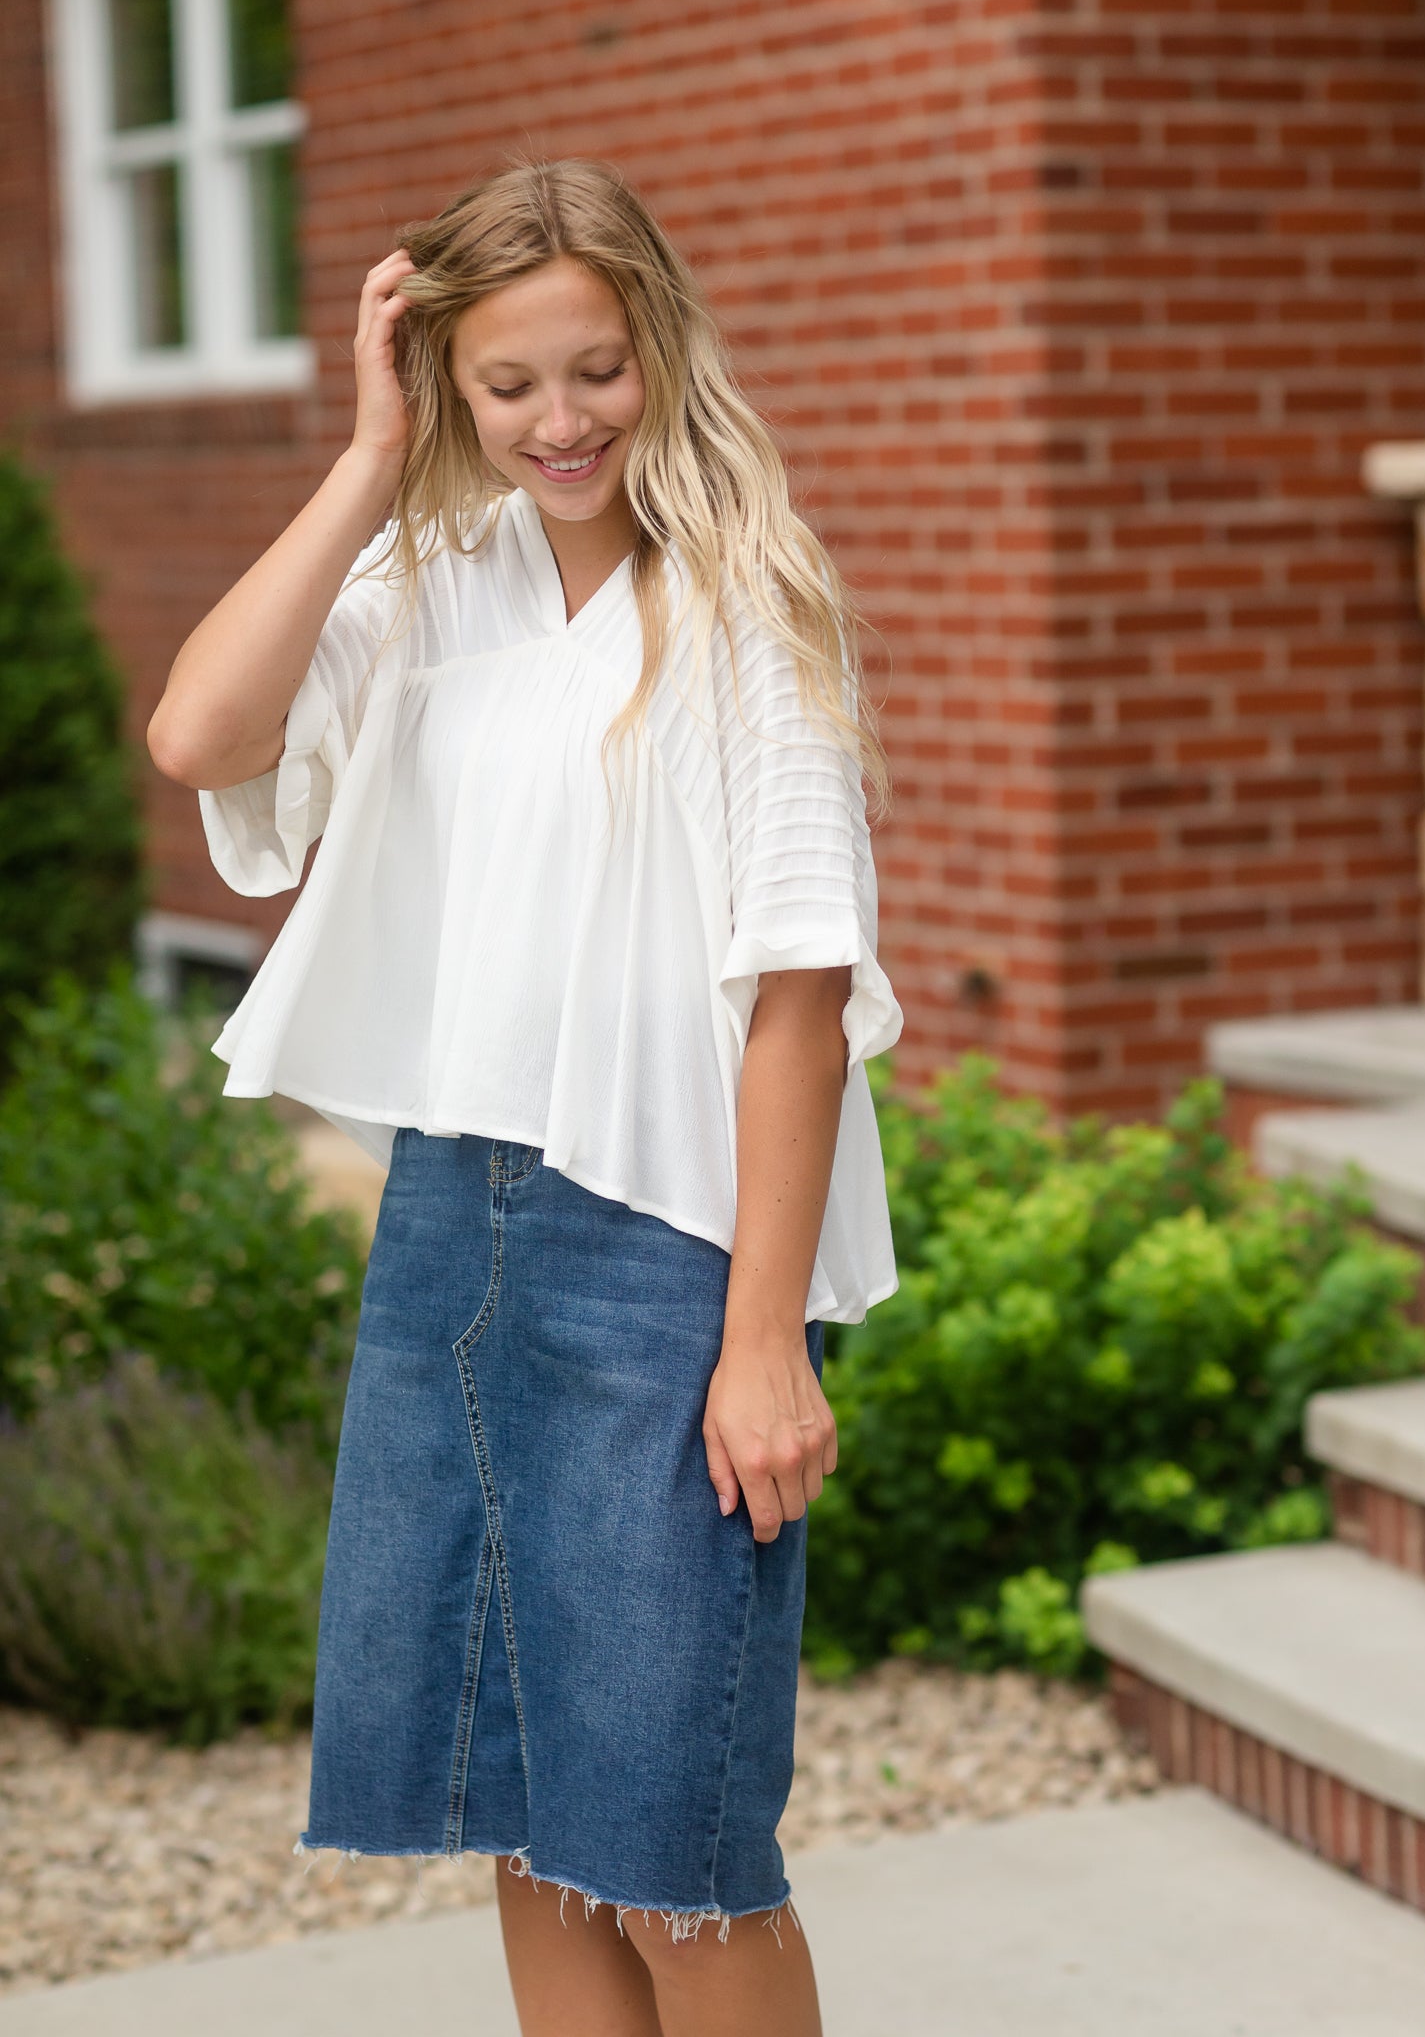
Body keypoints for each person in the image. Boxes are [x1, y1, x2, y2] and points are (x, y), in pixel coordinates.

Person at [146, 158, 900, 2037]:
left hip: (668, 1255)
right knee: (530, 1815)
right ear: (451, 390)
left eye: (597, 370)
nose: (561, 422)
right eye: (510, 386)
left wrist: (762, 1343)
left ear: (659, 348)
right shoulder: (423, 579)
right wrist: (369, 457)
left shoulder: (741, 599)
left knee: (679, 1858)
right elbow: (200, 737)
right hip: (448, 1237)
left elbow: (797, 1002)